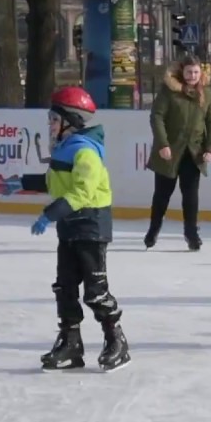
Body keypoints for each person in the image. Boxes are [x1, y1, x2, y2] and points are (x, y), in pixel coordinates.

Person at [22, 87, 130, 372]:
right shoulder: (66, 148)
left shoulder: (85, 151)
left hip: (91, 225)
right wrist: (18, 183)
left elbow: (82, 191)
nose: (50, 125)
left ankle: (116, 341)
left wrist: (49, 214)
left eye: (54, 120)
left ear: (71, 120)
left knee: (95, 291)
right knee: (65, 286)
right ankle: (71, 344)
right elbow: (56, 183)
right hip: (70, 226)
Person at [145, 56, 211, 251]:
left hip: (193, 152)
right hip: (169, 152)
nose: (192, 76)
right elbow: (157, 117)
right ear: (182, 72)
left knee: (190, 194)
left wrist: (210, 149)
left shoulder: (206, 94)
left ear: (200, 73)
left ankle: (191, 232)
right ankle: (154, 228)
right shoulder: (169, 91)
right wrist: (162, 144)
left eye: (196, 72)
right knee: (162, 194)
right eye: (189, 72)